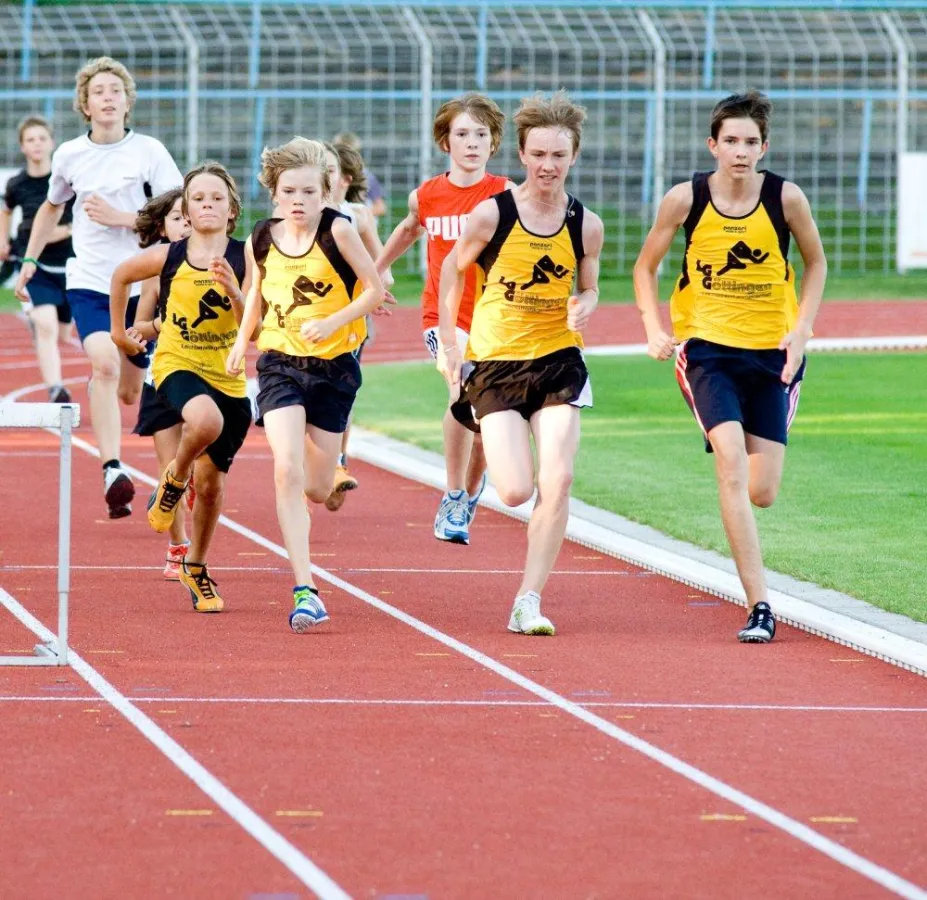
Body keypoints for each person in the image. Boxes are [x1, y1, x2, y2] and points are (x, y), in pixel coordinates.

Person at [632, 90, 827, 644]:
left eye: (750, 143)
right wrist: (653, 328)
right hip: (707, 350)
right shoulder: (685, 199)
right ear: (712, 144)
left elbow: (816, 262)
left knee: (762, 491)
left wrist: (803, 327)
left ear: (764, 147)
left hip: (772, 353)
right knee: (732, 468)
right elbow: (645, 268)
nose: (740, 152)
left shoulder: (786, 198)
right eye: (731, 142)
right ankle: (760, 605)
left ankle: (755, 574)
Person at [437, 91, 604, 636]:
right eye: (538, 154)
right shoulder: (494, 214)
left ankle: (528, 599)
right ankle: (483, 468)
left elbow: (591, 285)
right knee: (516, 491)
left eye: (558, 155)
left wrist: (587, 304)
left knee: (559, 478)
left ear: (573, 156)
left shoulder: (586, 223)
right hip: (497, 364)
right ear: (523, 155)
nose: (548, 166)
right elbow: (452, 273)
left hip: (558, 361)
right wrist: (451, 344)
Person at [226, 137, 384, 633]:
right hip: (278, 364)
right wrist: (239, 342)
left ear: (325, 192)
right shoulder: (261, 236)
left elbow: (376, 290)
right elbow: (255, 294)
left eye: (309, 191)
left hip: (334, 368)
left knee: (316, 486)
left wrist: (335, 321)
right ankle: (304, 587)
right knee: (286, 468)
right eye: (289, 190)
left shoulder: (340, 230)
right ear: (275, 193)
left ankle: (333, 466)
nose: (298, 200)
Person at [15, 57, 183, 519]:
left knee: (130, 390)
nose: (107, 98)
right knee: (104, 365)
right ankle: (113, 469)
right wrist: (30, 259)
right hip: (90, 282)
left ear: (127, 102)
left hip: (142, 285)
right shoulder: (70, 154)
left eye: (115, 90)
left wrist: (124, 218)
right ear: (85, 105)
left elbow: (178, 215)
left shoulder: (149, 151)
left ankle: (128, 396)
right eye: (98, 92)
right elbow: (51, 208)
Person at [110, 162, 252, 613]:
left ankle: (195, 566)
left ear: (232, 209)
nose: (207, 204)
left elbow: (259, 323)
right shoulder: (170, 256)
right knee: (203, 421)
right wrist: (119, 332)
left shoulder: (247, 256)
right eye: (198, 198)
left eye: (216, 198)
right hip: (177, 363)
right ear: (186, 211)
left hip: (228, 373)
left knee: (210, 487)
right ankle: (173, 478)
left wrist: (235, 292)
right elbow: (120, 277)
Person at [377, 92, 512, 544]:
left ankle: (472, 487)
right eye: (462, 134)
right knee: (462, 391)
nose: (471, 142)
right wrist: (377, 270)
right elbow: (410, 226)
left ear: (493, 143)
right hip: (443, 316)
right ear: (445, 141)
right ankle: (454, 492)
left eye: (481, 134)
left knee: (489, 414)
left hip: (495, 317)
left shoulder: (505, 194)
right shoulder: (428, 194)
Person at [320, 139, 394, 511]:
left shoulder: (358, 216)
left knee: (342, 391)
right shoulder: (294, 212)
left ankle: (336, 461)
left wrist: (376, 289)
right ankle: (317, 464)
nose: (323, 176)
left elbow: (385, 268)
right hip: (304, 320)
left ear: (345, 179)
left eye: (329, 170)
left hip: (349, 321)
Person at [125, 187, 194, 580]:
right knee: (171, 471)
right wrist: (151, 329)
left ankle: (196, 542)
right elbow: (140, 326)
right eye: (177, 218)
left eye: (189, 215)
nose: (185, 222)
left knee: (201, 472)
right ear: (163, 227)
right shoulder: (154, 272)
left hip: (213, 374)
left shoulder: (223, 263)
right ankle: (177, 547)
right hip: (163, 374)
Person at [0, 115, 75, 403]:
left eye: (42, 138)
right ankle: (56, 388)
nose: (37, 144)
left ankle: (44, 325)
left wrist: (66, 230)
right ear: (22, 146)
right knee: (46, 325)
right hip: (33, 263)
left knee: (64, 334)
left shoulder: (65, 178)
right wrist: (3, 240)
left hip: (68, 263)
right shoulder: (17, 183)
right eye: (31, 139)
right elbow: (5, 209)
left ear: (52, 142)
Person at [333, 131, 386, 218]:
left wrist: (355, 214)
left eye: (349, 154)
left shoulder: (366, 176)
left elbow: (380, 207)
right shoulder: (330, 175)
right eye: (341, 153)